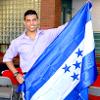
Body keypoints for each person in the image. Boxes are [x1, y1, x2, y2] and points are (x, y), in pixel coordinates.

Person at [3, 9, 68, 84]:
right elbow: (7, 58)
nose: (31, 23)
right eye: (28, 20)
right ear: (24, 22)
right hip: (27, 78)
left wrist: (83, 12)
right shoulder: (17, 42)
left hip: (45, 77)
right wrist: (16, 74)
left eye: (34, 20)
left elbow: (63, 28)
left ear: (37, 21)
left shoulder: (47, 35)